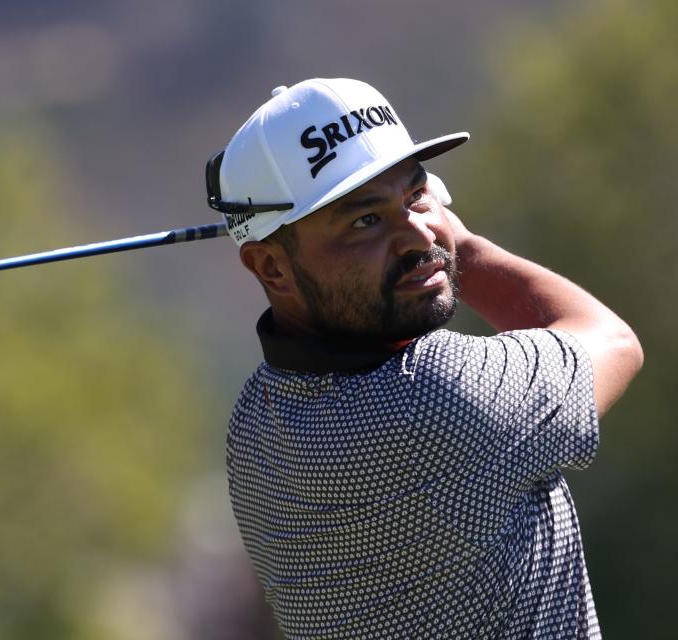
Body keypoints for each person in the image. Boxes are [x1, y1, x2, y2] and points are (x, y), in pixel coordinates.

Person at [207, 78, 643, 639]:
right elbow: (611, 339)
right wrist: (462, 239)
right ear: (270, 267)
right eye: (365, 220)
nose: (418, 236)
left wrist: (403, 219)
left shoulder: (254, 424)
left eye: (415, 196)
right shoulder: (437, 393)